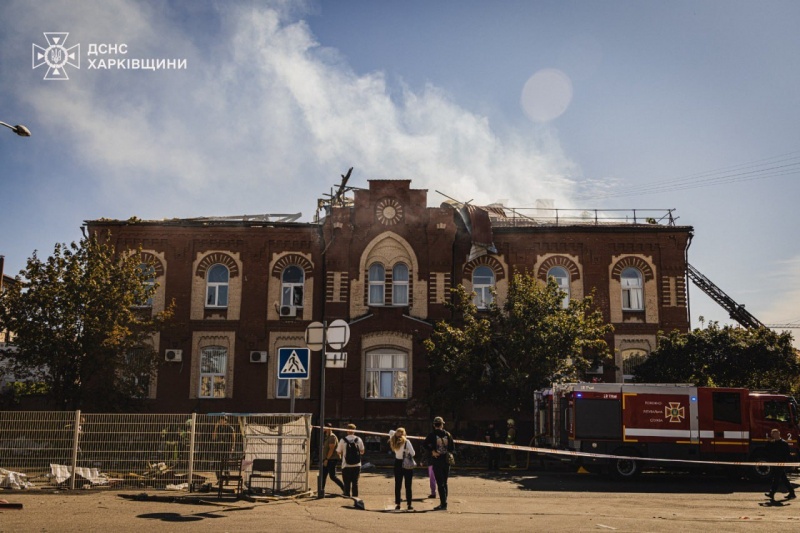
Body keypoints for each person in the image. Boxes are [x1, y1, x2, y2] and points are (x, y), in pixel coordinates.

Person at [424, 416, 455, 511]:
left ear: (434, 425)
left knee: (440, 483)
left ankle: (443, 504)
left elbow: (425, 444)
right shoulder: (448, 434)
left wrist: (432, 451)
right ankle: (444, 501)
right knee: (445, 482)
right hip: (446, 461)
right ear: (442, 425)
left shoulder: (431, 435)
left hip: (437, 460)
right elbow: (452, 448)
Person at [764, 428, 797, 502]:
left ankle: (772, 493)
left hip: (781, 463)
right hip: (775, 463)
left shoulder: (783, 443)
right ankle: (792, 493)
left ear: (779, 434)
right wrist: (769, 442)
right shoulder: (773, 443)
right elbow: (767, 450)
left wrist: (792, 464)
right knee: (784, 479)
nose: (774, 435)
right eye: (773, 434)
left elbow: (788, 454)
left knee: (776, 478)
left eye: (775, 433)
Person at [388, 427, 416, 510]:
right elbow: (413, 453)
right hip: (406, 463)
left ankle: (398, 504)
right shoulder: (407, 442)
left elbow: (390, 431)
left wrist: (397, 433)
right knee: (408, 485)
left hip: (398, 463)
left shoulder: (393, 440)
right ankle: (409, 504)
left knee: (398, 484)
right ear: (404, 434)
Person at [336, 423, 365, 498]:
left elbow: (338, 451)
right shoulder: (358, 439)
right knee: (355, 482)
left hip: (346, 465)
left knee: (346, 482)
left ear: (347, 430)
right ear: (355, 430)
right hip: (357, 464)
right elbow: (362, 451)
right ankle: (355, 497)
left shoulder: (343, 440)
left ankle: (347, 495)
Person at [321, 423, 345, 494]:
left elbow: (331, 449)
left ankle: (345, 489)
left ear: (328, 428)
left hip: (331, 459)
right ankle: (321, 490)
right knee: (323, 475)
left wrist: (326, 459)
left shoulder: (332, 437)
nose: (323, 428)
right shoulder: (327, 437)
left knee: (332, 476)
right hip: (327, 459)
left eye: (325, 427)